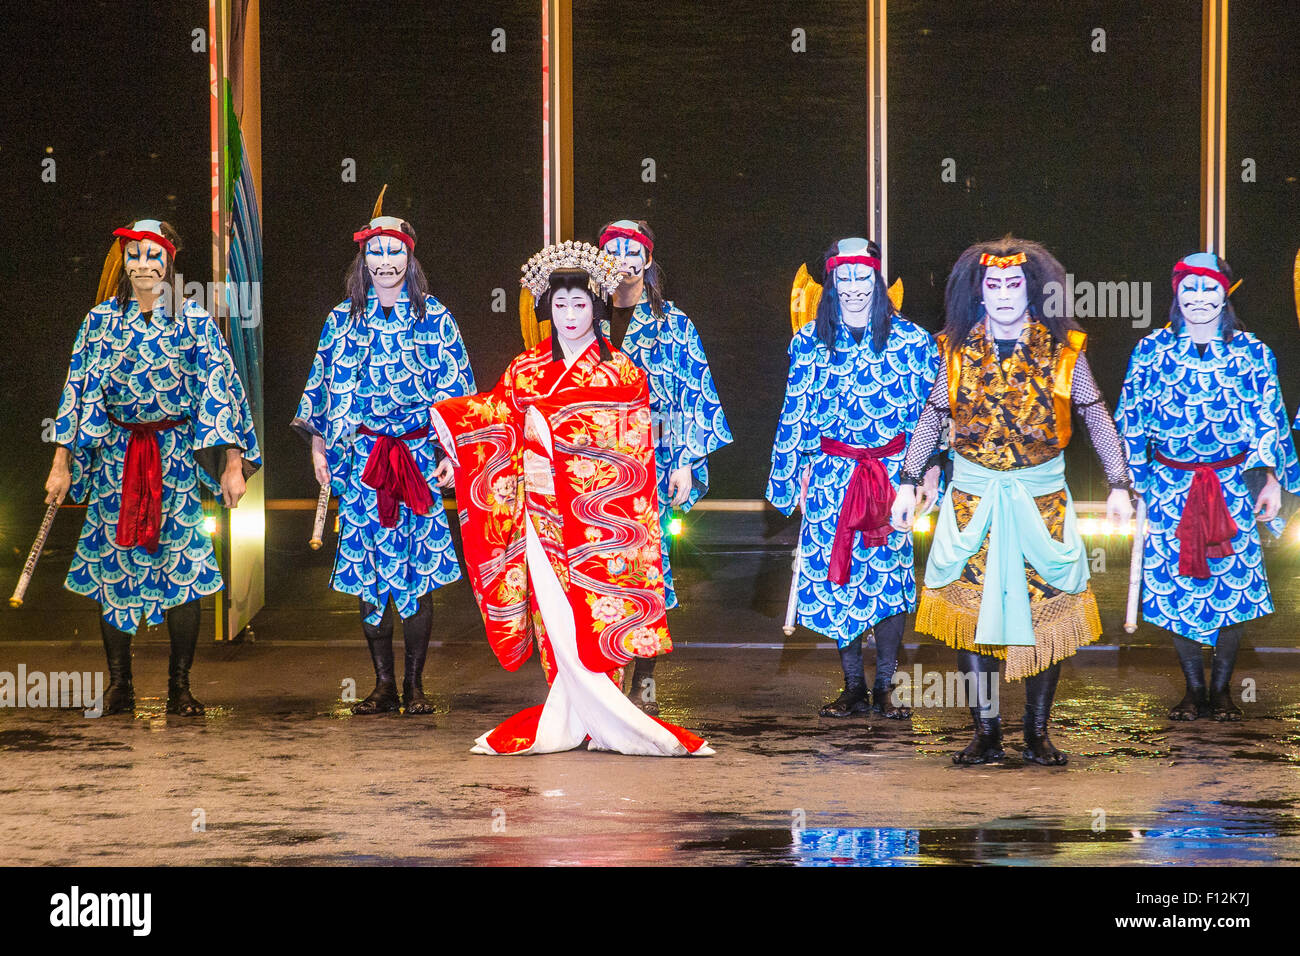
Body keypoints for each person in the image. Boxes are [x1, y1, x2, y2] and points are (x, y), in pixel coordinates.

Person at [431, 241, 712, 756]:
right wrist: (460, 457)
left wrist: (564, 445)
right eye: (558, 305)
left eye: (579, 304)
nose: (568, 315)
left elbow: (631, 450)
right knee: (556, 620)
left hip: (603, 518)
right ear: (547, 308)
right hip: (538, 515)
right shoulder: (526, 370)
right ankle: (578, 715)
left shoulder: (622, 373)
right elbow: (496, 424)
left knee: (599, 614)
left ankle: (606, 716)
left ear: (598, 307)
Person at [892, 237, 1133, 765]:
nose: (1003, 294)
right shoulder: (954, 349)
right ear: (979, 292)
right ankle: (986, 733)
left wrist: (1119, 484)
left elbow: (1095, 413)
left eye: (1013, 283)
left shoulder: (1063, 349)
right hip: (971, 502)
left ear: (1032, 288)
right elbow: (933, 415)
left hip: (1040, 504)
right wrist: (910, 479)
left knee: (1045, 616)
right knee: (972, 621)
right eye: (993, 285)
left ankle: (1036, 733)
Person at [44, 219, 261, 716]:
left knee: (184, 574)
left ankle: (180, 686)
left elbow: (222, 391)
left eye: (153, 255)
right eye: (135, 254)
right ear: (124, 260)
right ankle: (120, 684)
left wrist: (232, 463)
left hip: (175, 462)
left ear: (170, 261)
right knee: (113, 573)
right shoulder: (98, 322)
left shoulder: (193, 320)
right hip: (117, 462)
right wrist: (62, 463)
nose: (144, 264)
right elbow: (76, 392)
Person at [292, 196, 474, 715]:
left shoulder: (435, 317)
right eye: (377, 252)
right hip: (363, 462)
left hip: (416, 459)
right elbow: (321, 390)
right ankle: (382, 684)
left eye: (396, 252)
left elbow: (456, 392)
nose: (387, 261)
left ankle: (416, 686)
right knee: (369, 573)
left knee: (416, 576)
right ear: (364, 259)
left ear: (410, 259)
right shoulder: (341, 318)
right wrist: (319, 449)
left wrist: (448, 451)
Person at [1116, 252, 1299, 720]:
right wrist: (1131, 484)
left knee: (1231, 592)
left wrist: (1272, 480)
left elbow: (1269, 421)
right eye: (1190, 288)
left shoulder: (1253, 352)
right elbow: (1131, 420)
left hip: (1232, 487)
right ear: (1176, 293)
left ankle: (1222, 692)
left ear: (1225, 293)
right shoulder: (1151, 350)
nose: (1199, 298)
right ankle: (1192, 690)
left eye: (1209, 288)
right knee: (1175, 588)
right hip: (1170, 486)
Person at [766, 238, 940, 718]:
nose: (854, 288)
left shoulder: (912, 340)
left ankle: (885, 684)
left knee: (886, 581)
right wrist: (792, 474)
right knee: (838, 579)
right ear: (831, 282)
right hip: (830, 478)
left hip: (891, 477)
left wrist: (928, 473)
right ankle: (852, 688)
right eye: (844, 278)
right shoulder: (809, 342)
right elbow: (794, 414)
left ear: (877, 280)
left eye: (863, 277)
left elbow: (933, 414)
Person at [597, 219, 733, 714]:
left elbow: (694, 395)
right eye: (613, 249)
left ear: (648, 260)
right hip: (588, 462)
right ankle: (596, 679)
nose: (624, 257)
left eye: (634, 249)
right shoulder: (582, 313)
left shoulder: (671, 322)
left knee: (645, 569)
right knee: (594, 570)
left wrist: (685, 461)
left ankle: (642, 682)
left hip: (648, 461)